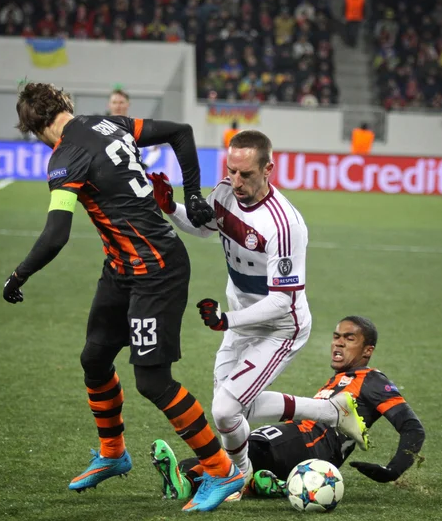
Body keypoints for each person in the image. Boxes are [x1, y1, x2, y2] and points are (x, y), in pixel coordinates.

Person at [2, 81, 244, 513]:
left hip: (156, 271)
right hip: (121, 269)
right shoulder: (109, 124)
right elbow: (181, 132)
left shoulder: (65, 157)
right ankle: (113, 454)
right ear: (64, 105)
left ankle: (221, 469)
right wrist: (192, 193)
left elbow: (56, 234)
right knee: (94, 359)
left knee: (153, 380)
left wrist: (19, 274)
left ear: (36, 127)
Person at [148, 130, 368, 490]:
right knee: (234, 410)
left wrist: (226, 320)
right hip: (239, 320)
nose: (235, 181)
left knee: (224, 409)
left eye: (245, 174)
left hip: (280, 327)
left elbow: (281, 300)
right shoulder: (224, 192)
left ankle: (237, 476)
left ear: (268, 169)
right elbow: (203, 228)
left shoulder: (284, 225)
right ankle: (330, 411)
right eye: (231, 171)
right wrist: (171, 207)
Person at [150, 316, 426, 500]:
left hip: (313, 443)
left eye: (349, 338)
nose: (338, 342)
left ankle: (196, 480)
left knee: (250, 448)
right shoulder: (340, 379)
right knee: (228, 454)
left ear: (368, 350)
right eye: (336, 336)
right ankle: (240, 482)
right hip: (298, 438)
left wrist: (394, 469)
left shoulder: (372, 380)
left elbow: (412, 428)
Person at [108, 87, 161, 168]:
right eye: (114, 102)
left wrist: (145, 165)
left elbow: (155, 151)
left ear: (128, 104)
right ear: (109, 105)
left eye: (121, 102)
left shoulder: (137, 125)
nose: (117, 106)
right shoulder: (100, 126)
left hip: (131, 174)